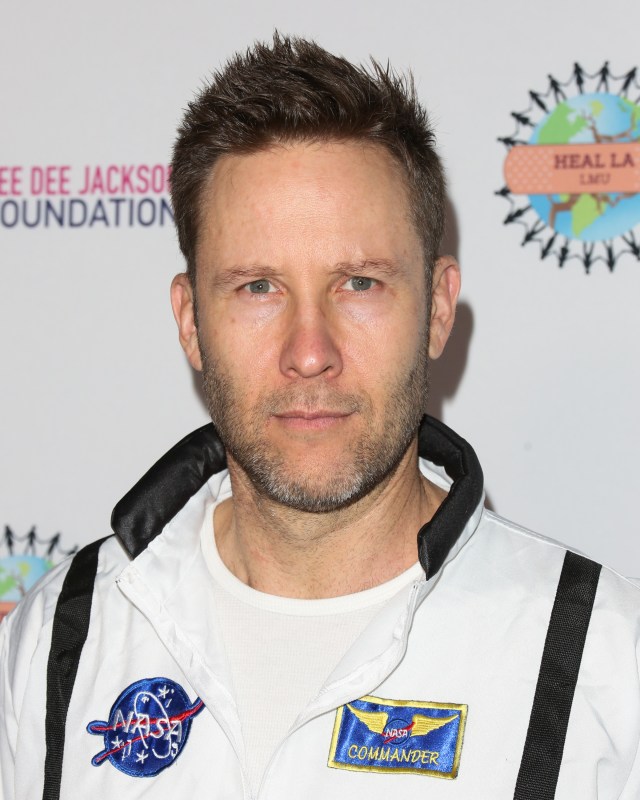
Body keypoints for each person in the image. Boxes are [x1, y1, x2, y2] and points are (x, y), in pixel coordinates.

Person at [1, 34, 639, 800]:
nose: (310, 353)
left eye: (360, 283)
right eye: (258, 287)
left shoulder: (603, 661)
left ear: (437, 308)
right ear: (189, 320)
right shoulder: (53, 645)